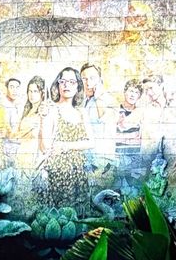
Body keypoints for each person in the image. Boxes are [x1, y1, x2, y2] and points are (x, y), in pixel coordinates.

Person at [43, 67, 93, 211]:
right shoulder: (52, 109)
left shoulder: (81, 112)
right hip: (58, 171)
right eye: (63, 81)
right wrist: (43, 119)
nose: (66, 85)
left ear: (78, 86)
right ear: (57, 85)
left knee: (78, 215)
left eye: (72, 82)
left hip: (78, 171)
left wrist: (65, 145)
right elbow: (46, 145)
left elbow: (91, 142)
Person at [80, 63, 117, 169]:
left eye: (92, 78)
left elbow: (105, 120)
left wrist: (98, 97)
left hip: (102, 159)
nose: (88, 83)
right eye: (84, 79)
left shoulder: (109, 100)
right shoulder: (82, 102)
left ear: (100, 80)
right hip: (85, 159)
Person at [10, 75, 49, 176]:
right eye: (30, 91)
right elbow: (13, 136)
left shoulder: (44, 112)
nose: (32, 94)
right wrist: (27, 130)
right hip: (21, 154)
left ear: (42, 93)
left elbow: (40, 138)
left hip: (35, 156)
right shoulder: (26, 110)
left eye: (35, 91)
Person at [115, 79, 143, 163]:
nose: (133, 95)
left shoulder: (141, 114)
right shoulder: (115, 111)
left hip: (135, 158)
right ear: (125, 92)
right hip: (117, 158)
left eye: (136, 92)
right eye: (131, 91)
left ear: (139, 96)